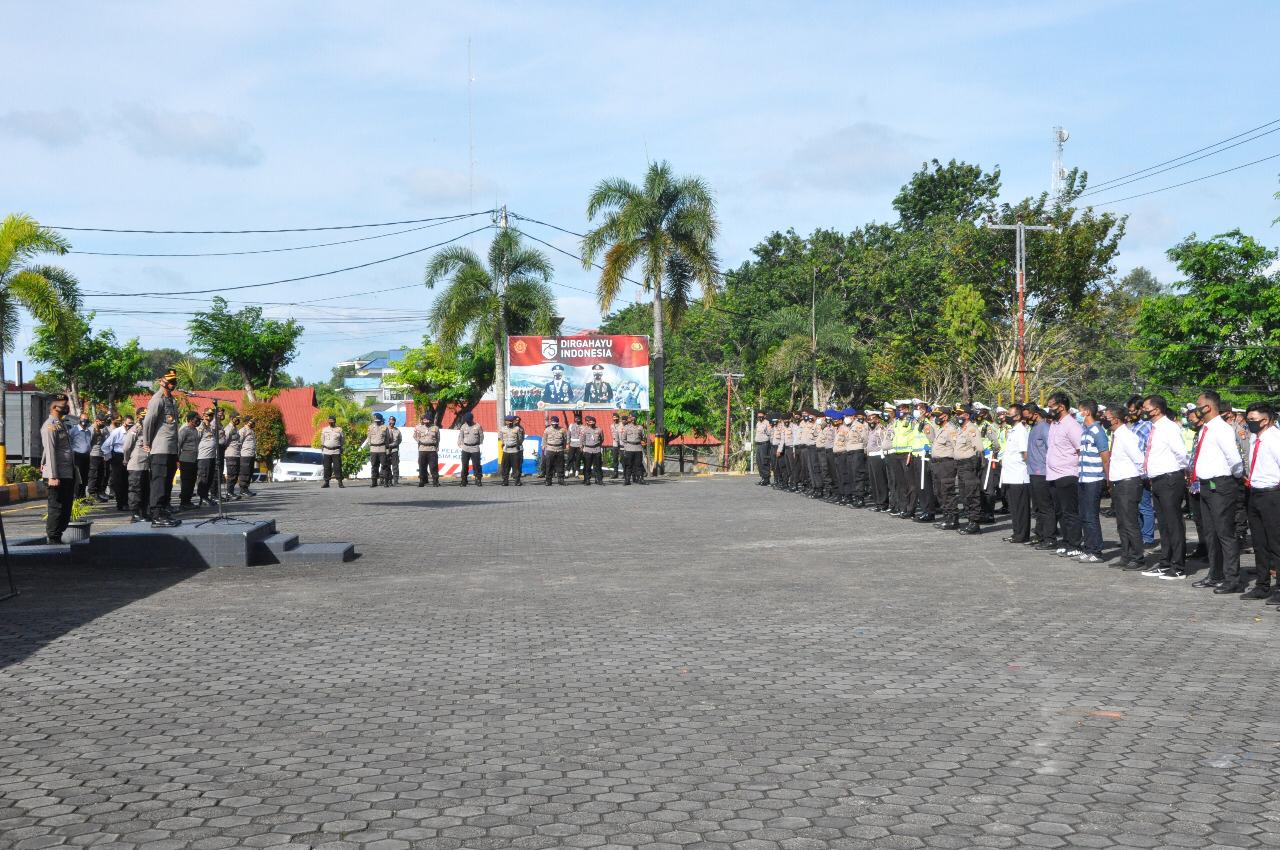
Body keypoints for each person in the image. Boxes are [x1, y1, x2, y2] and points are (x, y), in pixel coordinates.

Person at [1190, 390, 1246, 593]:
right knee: (1210, 532)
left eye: (1199, 405)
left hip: (1220, 484)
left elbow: (1234, 459)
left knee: (1225, 533)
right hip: (1206, 485)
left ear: (1208, 407)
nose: (1196, 409)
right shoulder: (1206, 429)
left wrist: (1233, 478)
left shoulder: (1221, 429)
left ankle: (1232, 579)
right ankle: (1215, 574)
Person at [1140, 394, 1189, 580]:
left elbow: (1181, 453)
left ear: (1157, 409)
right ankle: (1165, 562)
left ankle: (1178, 566)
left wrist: (1178, 471)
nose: (1143, 411)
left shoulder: (1169, 427)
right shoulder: (1155, 428)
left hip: (1170, 478)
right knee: (1163, 524)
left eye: (1146, 408)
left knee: (1173, 523)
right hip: (1158, 479)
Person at [1241, 402, 1280, 602]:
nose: (1249, 423)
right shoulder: (1256, 438)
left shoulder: (1275, 439)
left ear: (1265, 420)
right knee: (1259, 542)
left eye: (1253, 420)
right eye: (1248, 419)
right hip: (1255, 493)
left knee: (1276, 543)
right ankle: (1262, 585)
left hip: (1272, 494)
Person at [1104, 405, 1147, 571]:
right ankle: (1126, 555)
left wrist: (1140, 479)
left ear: (1115, 419)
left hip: (1129, 482)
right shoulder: (1117, 435)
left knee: (1130, 522)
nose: (1104, 420)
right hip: (1119, 483)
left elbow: (1139, 459)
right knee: (1121, 522)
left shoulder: (1126, 437)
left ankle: (1138, 558)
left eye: (1107, 417)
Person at [1043, 392, 1082, 557]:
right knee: (1060, 512)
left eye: (1051, 406)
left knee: (1070, 512)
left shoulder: (1071, 425)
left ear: (1061, 406)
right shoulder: (1055, 424)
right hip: (1053, 475)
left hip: (1067, 474)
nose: (1049, 409)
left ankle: (1075, 544)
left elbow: (1080, 449)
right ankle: (1066, 542)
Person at [144, 369, 182, 528]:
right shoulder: (157, 399)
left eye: (174, 381)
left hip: (171, 448)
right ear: (162, 381)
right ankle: (156, 515)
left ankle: (164, 511)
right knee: (159, 483)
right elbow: (148, 422)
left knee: (167, 483)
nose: (173, 384)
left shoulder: (171, 400)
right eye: (170, 381)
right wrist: (147, 442)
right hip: (160, 448)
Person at [1074, 401, 1110, 563]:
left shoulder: (1097, 431)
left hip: (1093, 479)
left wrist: (1108, 479)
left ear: (1087, 412)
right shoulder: (1085, 431)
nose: (1078, 414)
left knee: (1091, 515)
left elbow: (1105, 457)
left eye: (1080, 411)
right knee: (1084, 515)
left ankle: (1096, 550)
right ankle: (1088, 548)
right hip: (1083, 478)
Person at [40, 396, 76, 544]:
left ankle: (58, 535)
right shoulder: (49, 426)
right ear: (54, 407)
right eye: (64, 405)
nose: (66, 407)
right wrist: (53, 475)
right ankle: (53, 538)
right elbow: (50, 450)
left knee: (66, 507)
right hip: (57, 474)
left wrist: (42, 462)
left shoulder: (60, 424)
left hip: (67, 472)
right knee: (56, 507)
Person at [1000, 403, 1031, 544]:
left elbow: (1026, 453)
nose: (1006, 416)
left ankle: (1022, 535)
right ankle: (1016, 532)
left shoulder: (1021, 431)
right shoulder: (1013, 430)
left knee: (1021, 508)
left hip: (1019, 475)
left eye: (1009, 414)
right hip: (1010, 475)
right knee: (1014, 507)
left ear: (1017, 416)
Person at [1028, 406, 1055, 548]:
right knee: (1037, 507)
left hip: (1042, 472)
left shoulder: (1045, 427)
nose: (1026, 418)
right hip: (1033, 472)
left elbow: (1051, 448)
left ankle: (1049, 538)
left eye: (1028, 415)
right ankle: (1040, 534)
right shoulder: (1034, 427)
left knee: (1045, 507)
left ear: (1036, 414)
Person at [953, 405, 983, 534]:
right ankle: (970, 521)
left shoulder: (972, 429)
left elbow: (979, 448)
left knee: (972, 493)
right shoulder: (961, 429)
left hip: (968, 463)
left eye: (960, 413)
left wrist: (972, 459)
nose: (957, 416)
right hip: (960, 464)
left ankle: (974, 523)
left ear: (967, 415)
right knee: (964, 494)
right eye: (957, 414)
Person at [929, 407, 957, 529]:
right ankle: (946, 517)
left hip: (946, 463)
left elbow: (956, 447)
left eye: (938, 416)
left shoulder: (951, 430)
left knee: (947, 491)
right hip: (937, 464)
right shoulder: (940, 429)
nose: (935, 418)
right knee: (939, 492)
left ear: (945, 417)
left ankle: (952, 519)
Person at [124, 409, 150, 522]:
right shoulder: (134, 429)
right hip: (136, 465)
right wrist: (126, 460)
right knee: (135, 490)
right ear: (138, 416)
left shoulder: (148, 430)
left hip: (146, 465)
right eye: (142, 416)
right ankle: (135, 514)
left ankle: (144, 512)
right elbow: (126, 447)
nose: (144, 418)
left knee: (145, 490)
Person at [176, 411, 201, 511]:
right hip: (185, 460)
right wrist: (177, 460)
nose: (198, 421)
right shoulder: (184, 430)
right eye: (196, 419)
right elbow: (178, 445)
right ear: (190, 419)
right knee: (186, 482)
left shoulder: (195, 430)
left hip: (194, 459)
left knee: (192, 481)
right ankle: (184, 503)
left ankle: (188, 501)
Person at [103, 416, 129, 511]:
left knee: (127, 481)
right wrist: (110, 457)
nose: (129, 426)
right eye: (127, 424)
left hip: (128, 457)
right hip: (118, 456)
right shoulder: (117, 432)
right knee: (118, 481)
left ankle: (126, 502)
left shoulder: (132, 432)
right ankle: (120, 503)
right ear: (124, 423)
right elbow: (105, 446)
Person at [196, 409, 222, 505]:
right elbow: (196, 440)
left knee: (210, 477)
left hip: (212, 456)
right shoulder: (200, 426)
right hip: (203, 457)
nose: (210, 417)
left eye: (211, 415)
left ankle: (206, 496)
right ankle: (202, 497)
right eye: (208, 415)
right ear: (203, 415)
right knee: (204, 477)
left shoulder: (211, 427)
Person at [866, 410, 889, 511]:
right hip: (871, 456)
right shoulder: (871, 430)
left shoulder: (881, 429)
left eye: (872, 418)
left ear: (877, 419)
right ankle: (878, 502)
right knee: (873, 481)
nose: (870, 421)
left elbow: (884, 443)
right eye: (869, 419)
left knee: (880, 481)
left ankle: (883, 503)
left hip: (878, 456)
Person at [68, 412, 92, 499]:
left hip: (86, 456)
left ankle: (82, 496)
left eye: (86, 419)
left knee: (85, 476)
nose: (85, 421)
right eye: (83, 419)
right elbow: (69, 442)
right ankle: (77, 496)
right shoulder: (73, 430)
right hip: (77, 455)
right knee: (79, 476)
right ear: (79, 419)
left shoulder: (88, 431)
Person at [457, 412, 484, 485]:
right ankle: (464, 480)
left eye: (468, 420)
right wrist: (461, 444)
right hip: (465, 448)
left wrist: (477, 443)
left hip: (475, 448)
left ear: (472, 419)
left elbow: (481, 436)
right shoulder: (463, 426)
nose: (467, 421)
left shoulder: (478, 426)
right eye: (466, 420)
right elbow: (460, 436)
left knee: (477, 465)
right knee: (464, 465)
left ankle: (478, 479)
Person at [413, 414, 440, 487]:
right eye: (424, 419)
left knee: (433, 466)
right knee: (422, 466)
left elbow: (438, 439)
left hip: (432, 449)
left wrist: (437, 448)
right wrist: (419, 441)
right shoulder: (419, 428)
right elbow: (414, 436)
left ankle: (435, 481)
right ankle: (422, 480)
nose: (425, 421)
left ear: (430, 420)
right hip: (422, 449)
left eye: (427, 419)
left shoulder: (435, 428)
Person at [87, 414, 109, 502]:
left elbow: (107, 439)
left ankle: (98, 493)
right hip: (93, 454)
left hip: (101, 454)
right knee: (93, 475)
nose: (103, 424)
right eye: (102, 422)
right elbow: (88, 443)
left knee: (101, 474)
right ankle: (92, 494)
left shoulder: (103, 429)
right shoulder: (91, 429)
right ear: (97, 421)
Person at [365, 413, 390, 487]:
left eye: (378, 420)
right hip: (373, 449)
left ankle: (386, 482)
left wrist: (387, 448)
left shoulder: (385, 427)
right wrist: (370, 444)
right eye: (376, 420)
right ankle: (374, 482)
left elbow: (387, 438)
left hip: (382, 448)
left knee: (384, 466)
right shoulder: (370, 427)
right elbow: (368, 437)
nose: (377, 422)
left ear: (381, 420)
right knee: (374, 466)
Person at [499, 414, 525, 485]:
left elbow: (520, 439)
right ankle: (505, 481)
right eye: (508, 421)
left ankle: (517, 481)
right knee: (505, 466)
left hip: (514, 450)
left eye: (511, 421)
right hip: (506, 450)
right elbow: (501, 437)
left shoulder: (517, 429)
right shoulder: (502, 429)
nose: (509, 423)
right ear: (506, 422)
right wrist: (504, 443)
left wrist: (517, 444)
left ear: (513, 421)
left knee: (516, 466)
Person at [620, 413, 646, 484]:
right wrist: (628, 444)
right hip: (629, 448)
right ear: (630, 419)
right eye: (632, 418)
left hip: (638, 448)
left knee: (639, 464)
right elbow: (623, 438)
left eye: (634, 418)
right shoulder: (626, 427)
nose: (633, 420)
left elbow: (643, 437)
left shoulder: (640, 427)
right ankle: (627, 480)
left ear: (636, 419)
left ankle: (640, 479)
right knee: (628, 465)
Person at [320, 415, 345, 488]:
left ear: (335, 421)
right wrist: (322, 446)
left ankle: (340, 482)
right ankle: (326, 482)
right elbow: (322, 439)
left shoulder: (339, 429)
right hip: (327, 450)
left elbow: (342, 439)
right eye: (329, 421)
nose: (331, 422)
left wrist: (341, 446)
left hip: (336, 450)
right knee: (327, 467)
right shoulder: (325, 429)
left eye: (332, 421)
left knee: (337, 467)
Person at [237, 416, 258, 497]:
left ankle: (246, 488)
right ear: (247, 421)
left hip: (251, 454)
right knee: (244, 472)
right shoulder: (243, 430)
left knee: (250, 472)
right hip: (245, 455)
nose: (253, 422)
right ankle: (243, 489)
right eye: (251, 421)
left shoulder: (251, 431)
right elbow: (239, 443)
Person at [543, 416, 567, 485]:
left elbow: (565, 439)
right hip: (550, 449)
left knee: (560, 465)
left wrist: (564, 448)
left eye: (556, 423)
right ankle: (548, 480)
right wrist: (544, 447)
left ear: (558, 423)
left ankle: (561, 480)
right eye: (553, 423)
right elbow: (544, 439)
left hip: (559, 449)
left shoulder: (562, 430)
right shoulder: (547, 430)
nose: (554, 425)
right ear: (551, 422)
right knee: (549, 465)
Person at [582, 415, 605, 484]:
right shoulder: (585, 430)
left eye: (593, 422)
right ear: (588, 423)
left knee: (598, 466)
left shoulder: (599, 429)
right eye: (590, 422)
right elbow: (582, 440)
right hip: (588, 449)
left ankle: (599, 479)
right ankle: (587, 479)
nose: (591, 423)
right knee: (587, 466)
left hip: (596, 449)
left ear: (595, 422)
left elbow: (602, 439)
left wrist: (597, 445)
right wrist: (585, 446)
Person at [224, 416, 243, 499]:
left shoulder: (235, 428)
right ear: (232, 418)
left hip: (237, 453)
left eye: (239, 419)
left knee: (235, 474)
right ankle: (229, 493)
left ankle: (231, 492)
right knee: (231, 474)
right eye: (236, 418)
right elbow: (225, 441)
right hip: (231, 454)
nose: (238, 420)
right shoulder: (228, 429)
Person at [754, 411, 772, 486]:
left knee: (764, 461)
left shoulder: (767, 423)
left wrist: (766, 431)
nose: (760, 417)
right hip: (758, 444)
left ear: (764, 416)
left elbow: (770, 433)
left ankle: (767, 479)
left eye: (761, 416)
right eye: (758, 416)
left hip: (764, 444)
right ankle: (763, 478)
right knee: (759, 462)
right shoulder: (758, 423)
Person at [567, 412, 584, 480]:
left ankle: (577, 472)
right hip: (572, 444)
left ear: (580, 419)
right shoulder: (571, 425)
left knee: (578, 459)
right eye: (576, 418)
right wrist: (567, 443)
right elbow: (568, 434)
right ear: (574, 419)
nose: (577, 419)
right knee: (570, 458)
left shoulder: (583, 427)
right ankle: (567, 472)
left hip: (579, 444)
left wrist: (582, 445)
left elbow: (583, 436)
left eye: (579, 418)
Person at [386, 415, 402, 486]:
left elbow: (400, 440)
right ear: (388, 421)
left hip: (394, 450)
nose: (391, 422)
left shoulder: (397, 430)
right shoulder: (385, 429)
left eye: (393, 420)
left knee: (395, 466)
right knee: (387, 466)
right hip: (386, 450)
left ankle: (396, 481)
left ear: (394, 422)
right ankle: (388, 480)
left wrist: (394, 445)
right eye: (390, 420)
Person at [609, 413, 623, 480]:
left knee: (623, 459)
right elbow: (612, 434)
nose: (615, 419)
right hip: (615, 444)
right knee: (615, 459)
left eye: (616, 418)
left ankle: (625, 473)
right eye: (613, 418)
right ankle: (615, 473)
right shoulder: (612, 425)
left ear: (618, 418)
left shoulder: (622, 424)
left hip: (622, 443)